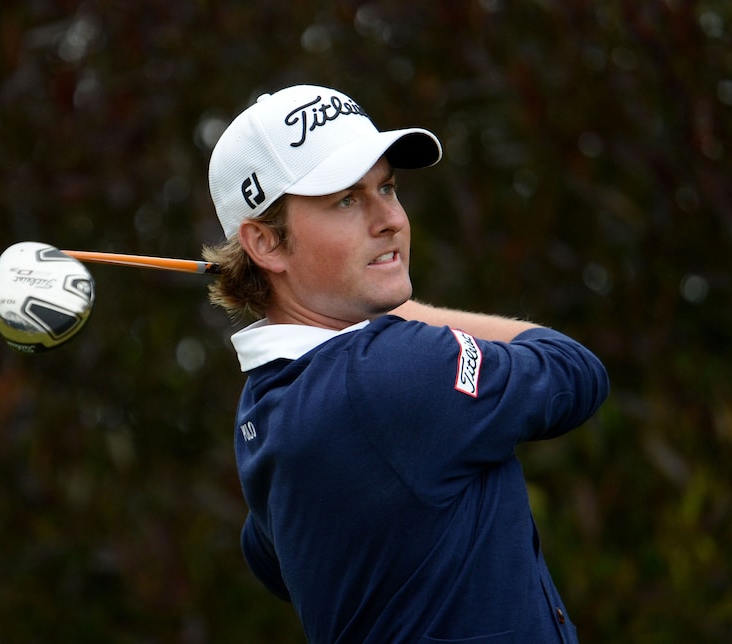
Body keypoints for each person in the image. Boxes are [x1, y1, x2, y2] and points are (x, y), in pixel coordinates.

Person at [203, 84, 609, 643]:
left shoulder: (264, 413)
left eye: (387, 187)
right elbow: (574, 371)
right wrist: (412, 313)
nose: (389, 218)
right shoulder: (392, 369)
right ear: (266, 245)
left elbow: (270, 559)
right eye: (345, 199)